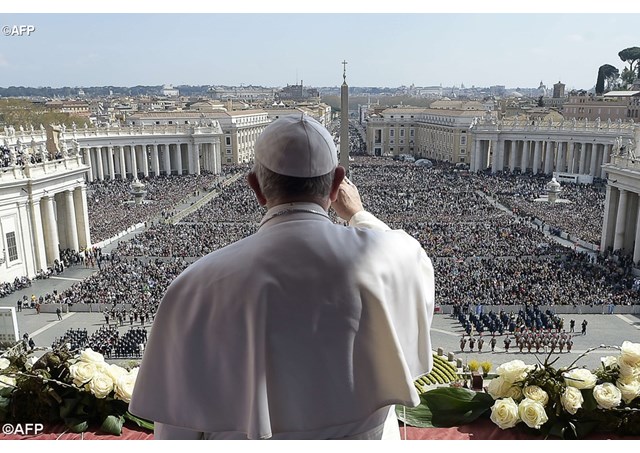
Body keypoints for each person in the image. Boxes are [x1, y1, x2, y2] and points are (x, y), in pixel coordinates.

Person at [129, 114, 436, 440]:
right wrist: (357, 215)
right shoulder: (392, 256)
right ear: (336, 184)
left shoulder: (196, 284)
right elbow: (410, 263)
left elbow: (177, 426)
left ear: (256, 187)